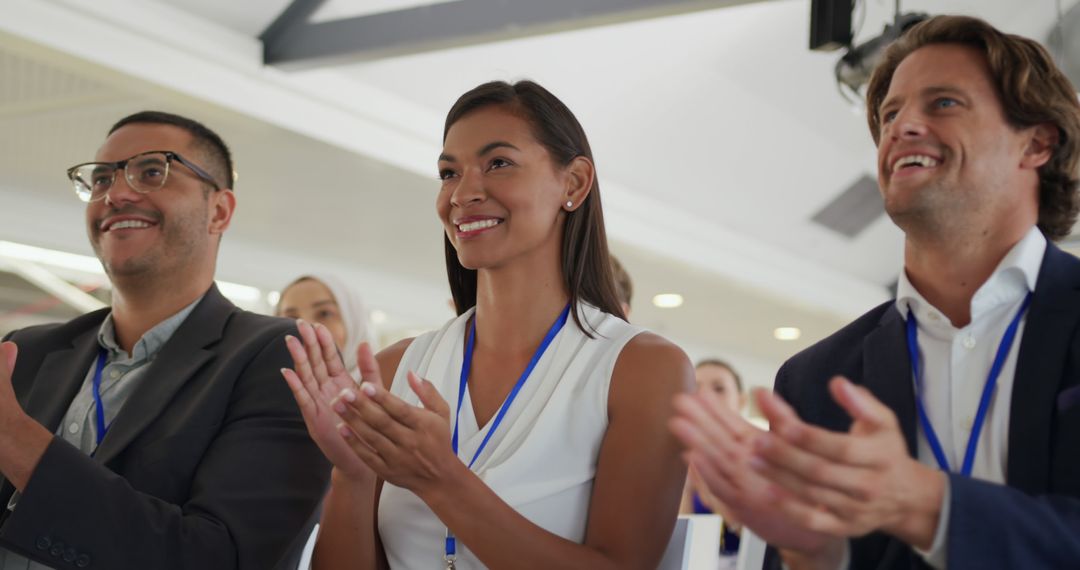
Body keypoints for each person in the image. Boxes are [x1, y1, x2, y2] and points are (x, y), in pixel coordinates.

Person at [670, 15, 1080, 570]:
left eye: (943, 103)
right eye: (890, 112)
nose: (901, 126)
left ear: (1036, 143)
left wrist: (926, 505)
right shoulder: (816, 377)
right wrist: (814, 554)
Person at [283, 80, 693, 569]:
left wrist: (440, 477)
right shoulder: (396, 368)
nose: (463, 192)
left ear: (574, 183)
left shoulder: (643, 369)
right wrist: (350, 475)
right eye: (448, 172)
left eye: (498, 163)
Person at [0, 111, 330, 569]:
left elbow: (220, 558)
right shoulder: (28, 352)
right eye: (101, 179)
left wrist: (13, 437)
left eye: (152, 172)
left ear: (219, 210)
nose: (114, 194)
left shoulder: (280, 354)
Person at [680, 359, 747, 567]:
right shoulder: (679, 457)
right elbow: (681, 541)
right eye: (696, 388)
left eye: (719, 388)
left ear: (741, 401)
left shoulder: (759, 459)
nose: (706, 396)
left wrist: (718, 499)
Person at [276, 274, 376, 379]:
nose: (305, 328)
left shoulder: (385, 389)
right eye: (292, 318)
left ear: (355, 325)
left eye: (324, 313)